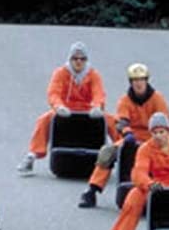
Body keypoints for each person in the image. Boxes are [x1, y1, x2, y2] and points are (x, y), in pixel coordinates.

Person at [78, 62, 169, 208]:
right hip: (131, 137)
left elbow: (164, 121)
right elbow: (121, 121)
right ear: (131, 82)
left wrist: (157, 137)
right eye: (135, 80)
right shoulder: (125, 100)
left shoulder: (157, 99)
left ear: (146, 81)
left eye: (141, 80)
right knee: (107, 152)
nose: (138, 83)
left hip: (154, 137)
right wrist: (128, 134)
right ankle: (91, 191)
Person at [16, 41, 117, 175]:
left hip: (88, 110)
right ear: (70, 59)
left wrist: (97, 106)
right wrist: (58, 106)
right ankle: (32, 156)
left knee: (112, 121)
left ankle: (124, 153)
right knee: (44, 120)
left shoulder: (93, 75)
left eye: (82, 59)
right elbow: (53, 93)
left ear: (86, 60)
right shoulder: (60, 73)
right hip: (66, 109)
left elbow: (99, 93)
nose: (78, 62)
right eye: (75, 58)